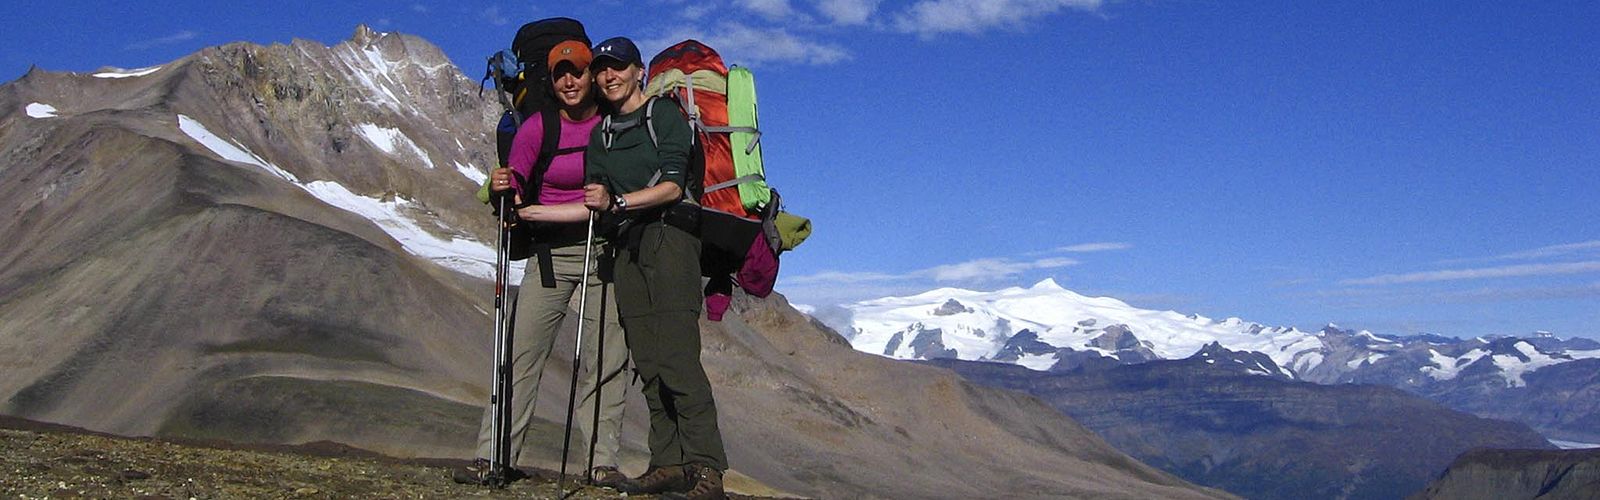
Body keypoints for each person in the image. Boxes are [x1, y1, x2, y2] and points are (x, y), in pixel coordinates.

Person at [454, 39, 631, 489]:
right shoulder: (537, 127)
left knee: (605, 358)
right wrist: (503, 186)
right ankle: (494, 455)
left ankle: (599, 462)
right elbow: (514, 179)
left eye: (577, 72)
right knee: (521, 355)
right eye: (559, 74)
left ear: (593, 76)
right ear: (550, 81)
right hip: (549, 255)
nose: (569, 81)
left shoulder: (612, 124)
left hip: (604, 251)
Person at [582, 36, 728, 500]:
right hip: (627, 246)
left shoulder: (664, 115)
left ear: (638, 71)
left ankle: (706, 468)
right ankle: (667, 463)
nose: (609, 76)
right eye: (602, 69)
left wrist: (618, 201)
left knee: (678, 359)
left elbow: (670, 185)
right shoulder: (601, 134)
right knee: (648, 362)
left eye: (618, 67)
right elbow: (597, 192)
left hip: (671, 238)